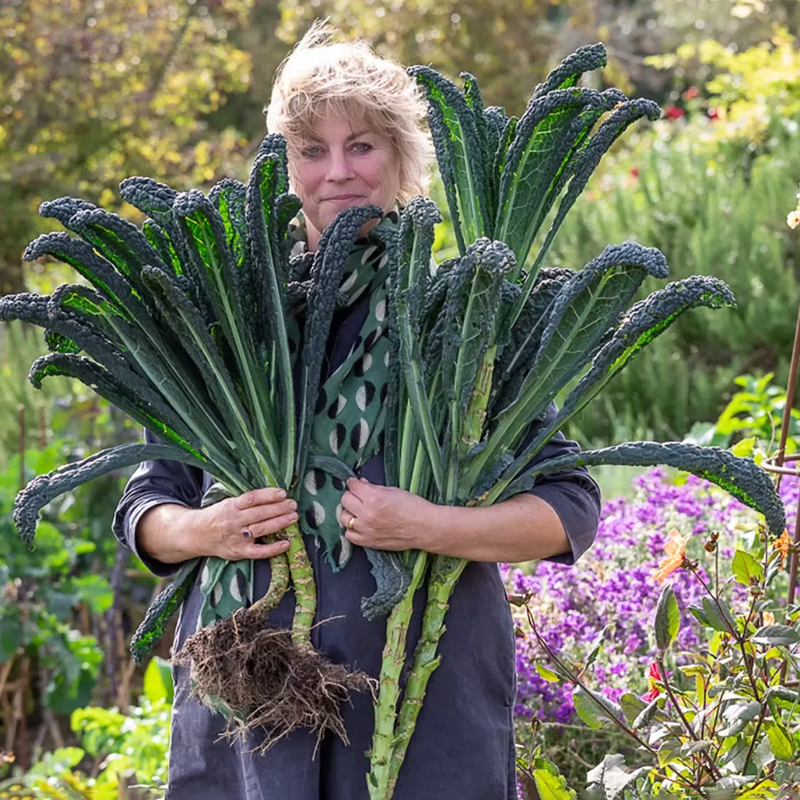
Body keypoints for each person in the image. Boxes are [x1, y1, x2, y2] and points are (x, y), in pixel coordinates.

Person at [112, 22, 602, 800]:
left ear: (404, 157)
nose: (337, 171)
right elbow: (147, 504)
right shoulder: (231, 317)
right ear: (284, 165)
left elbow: (568, 510)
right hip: (249, 704)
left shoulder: (467, 315)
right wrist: (204, 529)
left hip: (420, 703)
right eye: (312, 150)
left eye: (363, 145)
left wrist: (425, 526)